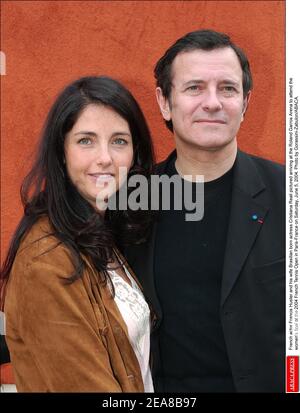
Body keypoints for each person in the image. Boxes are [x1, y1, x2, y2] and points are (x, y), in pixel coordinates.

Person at [124, 30, 285, 392]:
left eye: (227, 88)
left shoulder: (290, 194)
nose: (212, 102)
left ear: (245, 103)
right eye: (194, 87)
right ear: (165, 102)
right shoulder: (131, 200)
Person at [0, 76, 155, 392]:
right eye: (86, 140)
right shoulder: (46, 263)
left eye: (119, 141)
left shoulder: (101, 233)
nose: (105, 158)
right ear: (62, 152)